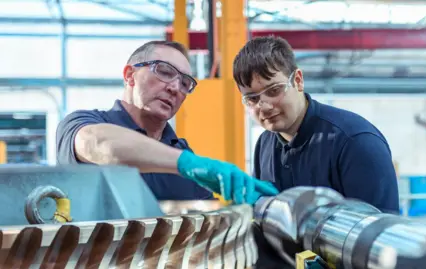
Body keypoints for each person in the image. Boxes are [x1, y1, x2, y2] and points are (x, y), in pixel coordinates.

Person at [233, 36, 399, 268]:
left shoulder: (355, 142)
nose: (265, 106)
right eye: (252, 99)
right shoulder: (265, 144)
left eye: (274, 90)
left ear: (298, 80)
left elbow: (383, 241)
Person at [56, 40, 278, 205]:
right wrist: (186, 164)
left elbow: (206, 221)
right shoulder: (82, 123)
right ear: (129, 75)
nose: (174, 88)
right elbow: (98, 143)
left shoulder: (183, 154)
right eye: (164, 71)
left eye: (185, 83)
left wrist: (253, 206)